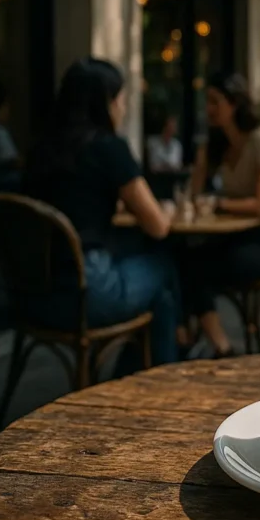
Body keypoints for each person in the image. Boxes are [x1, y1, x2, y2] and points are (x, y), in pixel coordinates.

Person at [22, 58, 180, 371]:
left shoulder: (41, 147)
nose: (123, 107)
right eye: (120, 99)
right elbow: (159, 226)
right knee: (166, 263)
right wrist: (169, 208)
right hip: (86, 293)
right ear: (105, 102)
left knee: (160, 298)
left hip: (32, 294)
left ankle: (138, 377)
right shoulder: (109, 148)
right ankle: (159, 376)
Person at [183, 72, 260, 357]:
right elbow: (193, 194)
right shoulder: (218, 144)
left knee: (195, 268)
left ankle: (218, 346)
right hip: (235, 235)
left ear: (235, 104)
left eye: (215, 102)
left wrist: (218, 205)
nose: (208, 109)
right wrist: (202, 156)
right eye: (207, 102)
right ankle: (195, 338)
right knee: (180, 256)